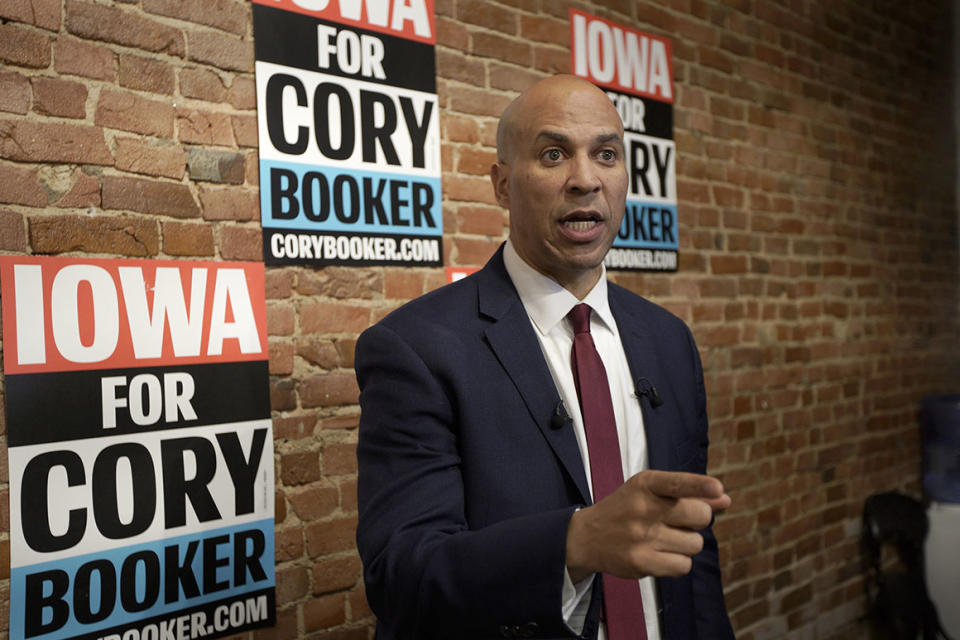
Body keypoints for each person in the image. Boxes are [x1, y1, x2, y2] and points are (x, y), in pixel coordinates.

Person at [355, 75, 734, 640]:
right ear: (503, 185)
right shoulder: (416, 348)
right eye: (554, 154)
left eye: (605, 154)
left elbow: (691, 552)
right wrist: (577, 542)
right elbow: (402, 579)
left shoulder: (669, 340)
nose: (585, 180)